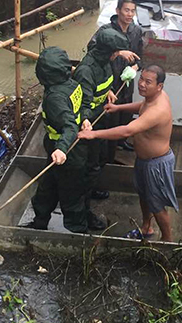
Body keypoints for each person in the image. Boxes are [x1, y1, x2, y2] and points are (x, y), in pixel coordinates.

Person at [78, 65, 177, 242]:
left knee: (157, 204)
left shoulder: (158, 109)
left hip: (156, 163)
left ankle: (167, 243)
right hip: (144, 161)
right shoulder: (152, 99)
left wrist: (93, 134)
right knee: (144, 195)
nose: (142, 84)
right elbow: (141, 107)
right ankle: (146, 228)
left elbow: (127, 131)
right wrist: (119, 108)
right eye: (141, 79)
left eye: (148, 82)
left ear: (159, 86)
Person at [73, 28, 134, 229]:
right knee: (88, 168)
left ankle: (92, 189)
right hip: (88, 125)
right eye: (115, 52)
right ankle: (83, 214)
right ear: (107, 51)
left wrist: (108, 91)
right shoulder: (86, 70)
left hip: (100, 118)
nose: (117, 55)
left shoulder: (105, 62)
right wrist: (86, 121)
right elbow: (83, 103)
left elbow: (104, 82)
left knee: (99, 160)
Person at [25, 47, 88, 232]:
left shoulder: (55, 98)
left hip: (67, 151)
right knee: (46, 189)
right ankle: (40, 222)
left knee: (71, 196)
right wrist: (84, 118)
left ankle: (78, 233)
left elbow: (69, 126)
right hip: (62, 148)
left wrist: (61, 148)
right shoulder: (72, 83)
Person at [87, 0, 143, 165]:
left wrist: (135, 68)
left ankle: (121, 141)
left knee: (125, 114)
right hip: (109, 82)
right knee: (111, 118)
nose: (130, 14)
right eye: (126, 10)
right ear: (118, 11)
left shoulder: (136, 31)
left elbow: (140, 57)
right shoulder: (106, 31)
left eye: (133, 11)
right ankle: (108, 156)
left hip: (126, 81)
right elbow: (92, 51)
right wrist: (118, 52)